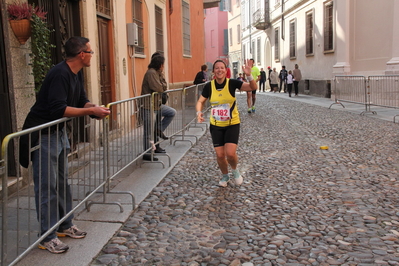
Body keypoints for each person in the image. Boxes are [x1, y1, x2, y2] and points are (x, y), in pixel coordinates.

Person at [20, 37, 111, 254]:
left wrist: (94, 108)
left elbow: (80, 101)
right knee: (47, 187)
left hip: (58, 134)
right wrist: (90, 111)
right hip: (43, 136)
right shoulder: (60, 73)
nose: (91, 56)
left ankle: (65, 224)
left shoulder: (75, 73)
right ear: (82, 54)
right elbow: (59, 109)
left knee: (62, 183)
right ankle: (47, 236)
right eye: (90, 52)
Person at [195, 59, 257, 187]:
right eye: (217, 68)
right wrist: (198, 113)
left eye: (222, 68)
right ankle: (225, 175)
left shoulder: (232, 83)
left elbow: (252, 87)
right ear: (213, 72)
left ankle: (234, 170)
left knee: (230, 154)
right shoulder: (209, 86)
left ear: (226, 70)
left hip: (232, 124)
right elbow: (200, 102)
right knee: (220, 155)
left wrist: (249, 75)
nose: (219, 70)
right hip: (216, 125)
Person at [141, 53, 176, 160]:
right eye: (162, 64)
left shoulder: (158, 73)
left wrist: (162, 83)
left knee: (171, 112)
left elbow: (164, 85)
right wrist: (162, 86)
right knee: (148, 132)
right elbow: (159, 88)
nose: (163, 66)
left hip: (156, 105)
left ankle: (158, 129)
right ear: (160, 64)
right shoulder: (151, 73)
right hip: (148, 106)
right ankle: (147, 154)